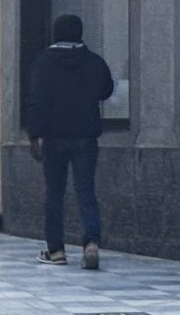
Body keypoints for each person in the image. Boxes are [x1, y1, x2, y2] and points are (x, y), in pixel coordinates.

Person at [26, 14, 115, 270]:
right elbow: (107, 90)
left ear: (55, 33)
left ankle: (56, 250)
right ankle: (91, 243)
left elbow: (37, 101)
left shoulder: (44, 63)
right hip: (85, 137)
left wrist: (35, 135)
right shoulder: (94, 61)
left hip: (54, 138)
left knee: (55, 193)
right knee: (86, 191)